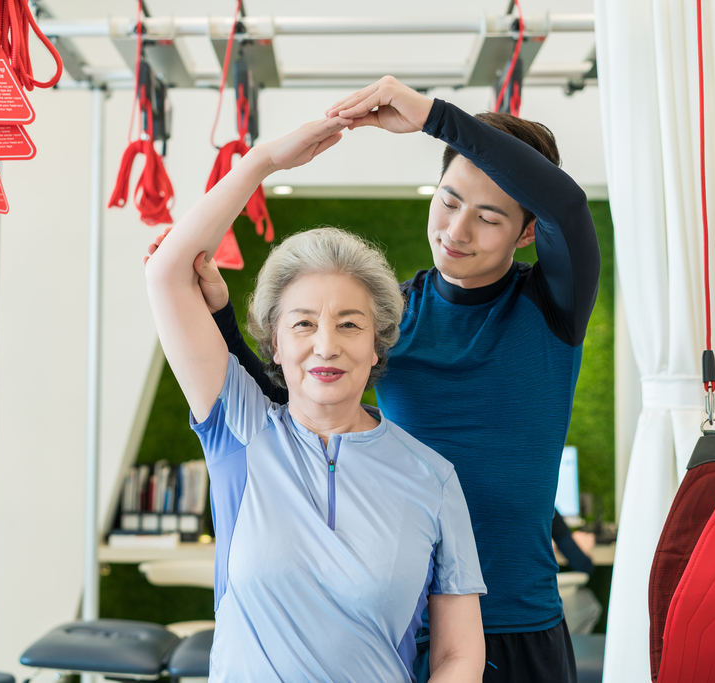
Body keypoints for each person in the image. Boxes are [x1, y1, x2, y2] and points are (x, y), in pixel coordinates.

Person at [158, 77, 601, 682]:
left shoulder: (551, 305)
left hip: (519, 620)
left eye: (488, 217)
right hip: (403, 617)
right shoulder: (396, 312)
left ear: (527, 232)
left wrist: (432, 116)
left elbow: (568, 207)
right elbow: (295, 398)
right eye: (448, 200)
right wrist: (220, 324)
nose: (457, 230)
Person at [143, 116, 487, 682]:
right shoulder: (241, 430)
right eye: (303, 324)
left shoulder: (433, 478)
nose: (326, 346)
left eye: (350, 325)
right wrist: (262, 162)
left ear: (377, 346)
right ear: (275, 344)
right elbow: (167, 272)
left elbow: (457, 654)